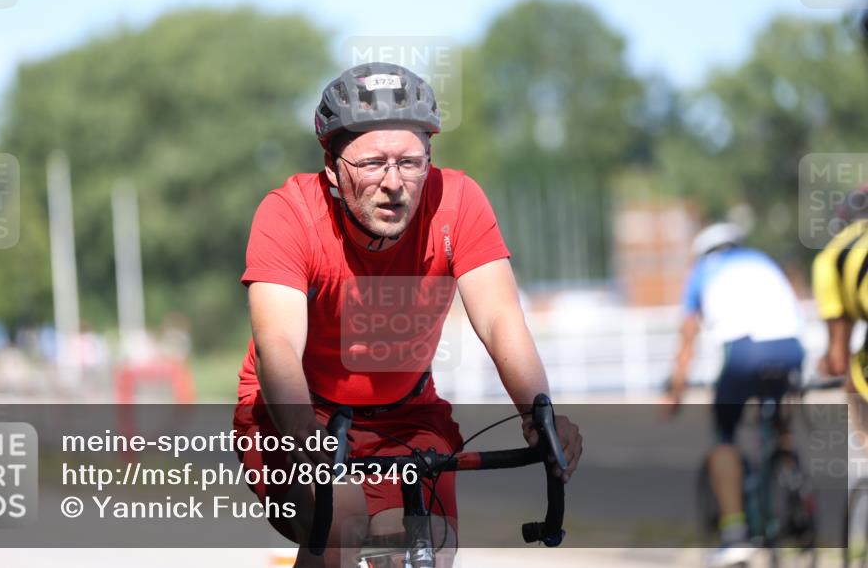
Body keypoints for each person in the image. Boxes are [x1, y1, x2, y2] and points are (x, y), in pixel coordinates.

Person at [232, 62, 582, 567]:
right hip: (299, 410)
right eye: (372, 164)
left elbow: (500, 317)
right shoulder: (289, 213)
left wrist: (538, 414)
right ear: (331, 167)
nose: (393, 183)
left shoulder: (458, 201)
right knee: (342, 516)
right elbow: (277, 346)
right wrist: (310, 447)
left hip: (407, 412)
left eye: (411, 163)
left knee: (427, 543)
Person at [664, 222, 805, 568]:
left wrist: (675, 391)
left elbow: (687, 340)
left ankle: (734, 535)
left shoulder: (702, 272)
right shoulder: (762, 260)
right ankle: (796, 494)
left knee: (724, 437)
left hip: (745, 352)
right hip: (791, 349)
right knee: (777, 417)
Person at [815, 184, 868, 403]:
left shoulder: (831, 254)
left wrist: (829, 360)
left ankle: (863, 436)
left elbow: (838, 359)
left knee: (855, 378)